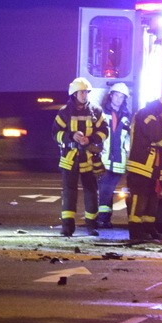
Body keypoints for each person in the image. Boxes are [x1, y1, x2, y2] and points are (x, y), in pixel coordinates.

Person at [52, 77, 109, 237]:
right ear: (74, 94)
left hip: (89, 159)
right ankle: (67, 227)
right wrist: (71, 136)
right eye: (81, 92)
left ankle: (92, 226)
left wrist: (90, 139)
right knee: (69, 193)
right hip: (70, 158)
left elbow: (105, 131)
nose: (84, 95)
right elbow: (55, 133)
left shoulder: (96, 111)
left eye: (86, 92)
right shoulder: (64, 112)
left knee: (91, 192)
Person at [126, 96, 162, 242]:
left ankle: (148, 228)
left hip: (149, 167)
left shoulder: (153, 116)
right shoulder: (146, 115)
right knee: (139, 198)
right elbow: (161, 139)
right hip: (140, 166)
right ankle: (135, 232)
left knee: (151, 198)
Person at [97, 83, 132, 229]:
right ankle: (102, 219)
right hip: (103, 160)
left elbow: (128, 139)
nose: (118, 99)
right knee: (105, 190)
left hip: (118, 161)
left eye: (121, 97)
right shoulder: (101, 112)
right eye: (116, 95)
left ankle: (104, 219)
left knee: (108, 190)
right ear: (111, 95)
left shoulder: (126, 116)